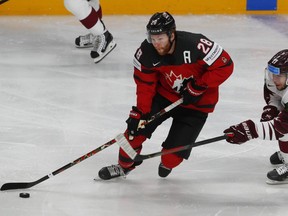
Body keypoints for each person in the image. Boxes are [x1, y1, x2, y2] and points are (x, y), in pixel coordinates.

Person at [98, 12, 234, 180]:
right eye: (152, 38)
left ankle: (168, 161)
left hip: (195, 106)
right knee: (133, 135)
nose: (156, 43)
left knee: (170, 159)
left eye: (160, 38)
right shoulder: (146, 52)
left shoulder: (195, 44)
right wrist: (140, 112)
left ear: (172, 34)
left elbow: (225, 65)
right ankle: (123, 167)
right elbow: (144, 85)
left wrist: (199, 85)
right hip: (163, 97)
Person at [223, 49, 288, 184]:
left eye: (279, 76)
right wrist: (271, 109)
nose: (274, 79)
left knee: (284, 130)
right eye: (272, 74)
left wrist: (249, 129)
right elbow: (275, 97)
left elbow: (282, 127)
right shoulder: (275, 81)